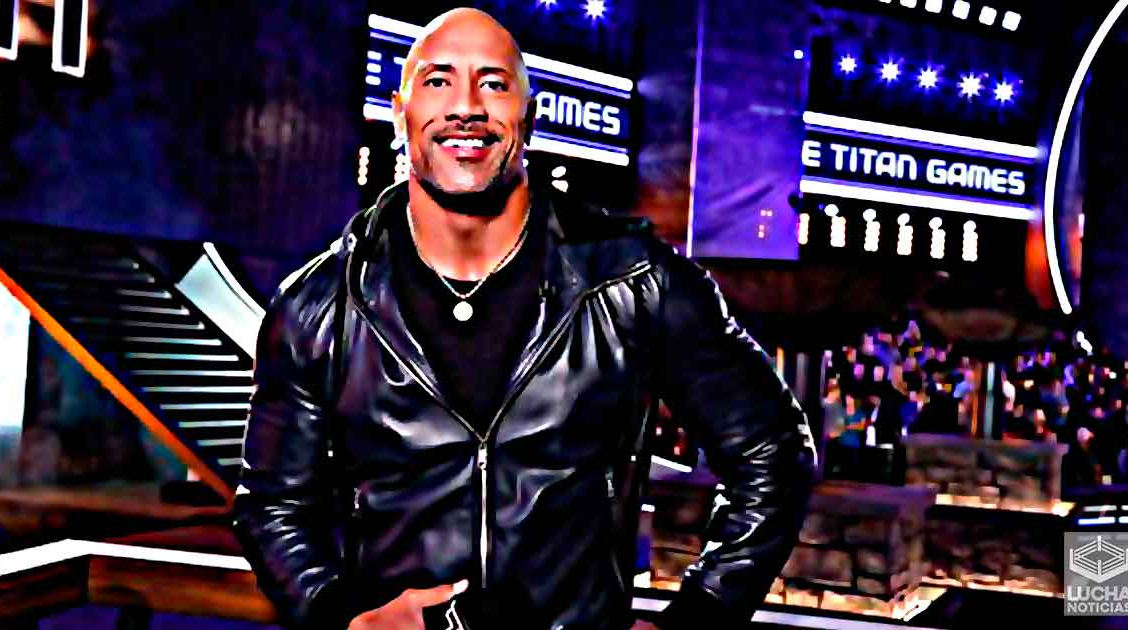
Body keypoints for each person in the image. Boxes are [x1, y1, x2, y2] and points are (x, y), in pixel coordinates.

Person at [231, 8, 817, 630]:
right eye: (438, 81)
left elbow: (773, 453)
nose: (465, 106)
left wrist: (697, 619)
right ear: (400, 112)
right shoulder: (320, 304)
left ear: (528, 117)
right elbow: (272, 506)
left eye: (493, 83)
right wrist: (343, 619)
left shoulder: (635, 280)